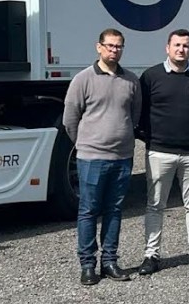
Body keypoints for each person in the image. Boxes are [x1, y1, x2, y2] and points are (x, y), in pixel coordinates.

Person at [62, 28, 142, 285]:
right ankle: (88, 265)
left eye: (118, 46)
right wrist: (86, 144)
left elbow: (135, 115)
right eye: (109, 45)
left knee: (114, 210)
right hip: (92, 158)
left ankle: (110, 261)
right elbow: (70, 120)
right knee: (88, 210)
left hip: (122, 157)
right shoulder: (83, 79)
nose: (114, 50)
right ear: (99, 47)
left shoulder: (131, 80)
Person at [136, 29, 189, 275]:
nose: (181, 49)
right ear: (167, 48)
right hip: (160, 152)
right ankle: (151, 255)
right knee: (155, 205)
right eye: (177, 45)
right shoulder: (151, 76)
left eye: (186, 45)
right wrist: (150, 139)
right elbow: (140, 112)